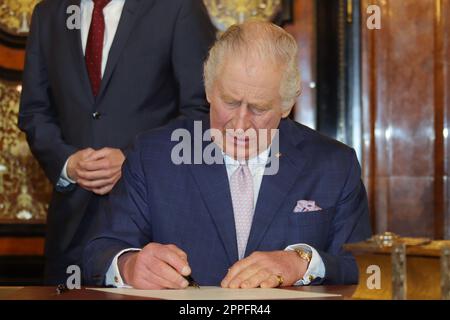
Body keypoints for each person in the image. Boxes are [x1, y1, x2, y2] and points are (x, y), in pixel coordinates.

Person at [84, 21, 371, 289]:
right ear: (209, 89)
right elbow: (99, 252)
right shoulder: (154, 156)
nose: (241, 123)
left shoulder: (333, 164)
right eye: (230, 103)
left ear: (286, 106)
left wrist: (302, 262)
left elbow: (362, 267)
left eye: (258, 108)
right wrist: (130, 264)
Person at [18, 0, 216, 284]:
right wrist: (68, 163)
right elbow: (34, 111)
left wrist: (133, 159)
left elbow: (202, 111)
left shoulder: (178, 8)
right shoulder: (49, 13)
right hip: (71, 227)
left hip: (155, 229)